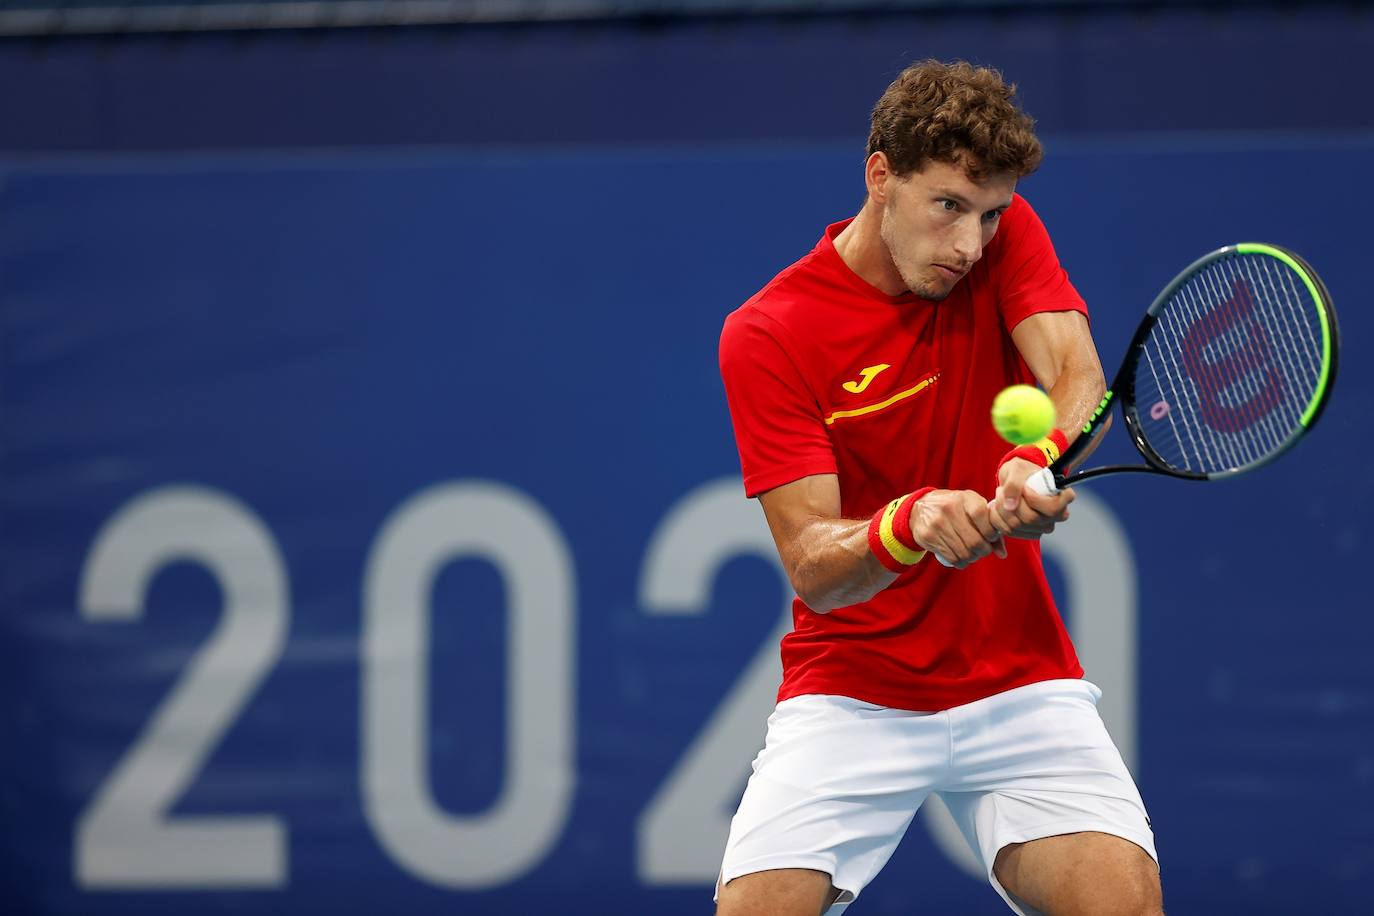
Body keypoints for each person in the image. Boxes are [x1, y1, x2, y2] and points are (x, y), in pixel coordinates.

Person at [715, 60, 1163, 916]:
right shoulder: (769, 334)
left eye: (989, 214)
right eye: (948, 206)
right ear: (880, 176)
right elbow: (813, 566)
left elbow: (1077, 376)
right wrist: (909, 523)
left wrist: (1043, 458)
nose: (970, 245)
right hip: (852, 691)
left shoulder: (1005, 237)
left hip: (1016, 680)